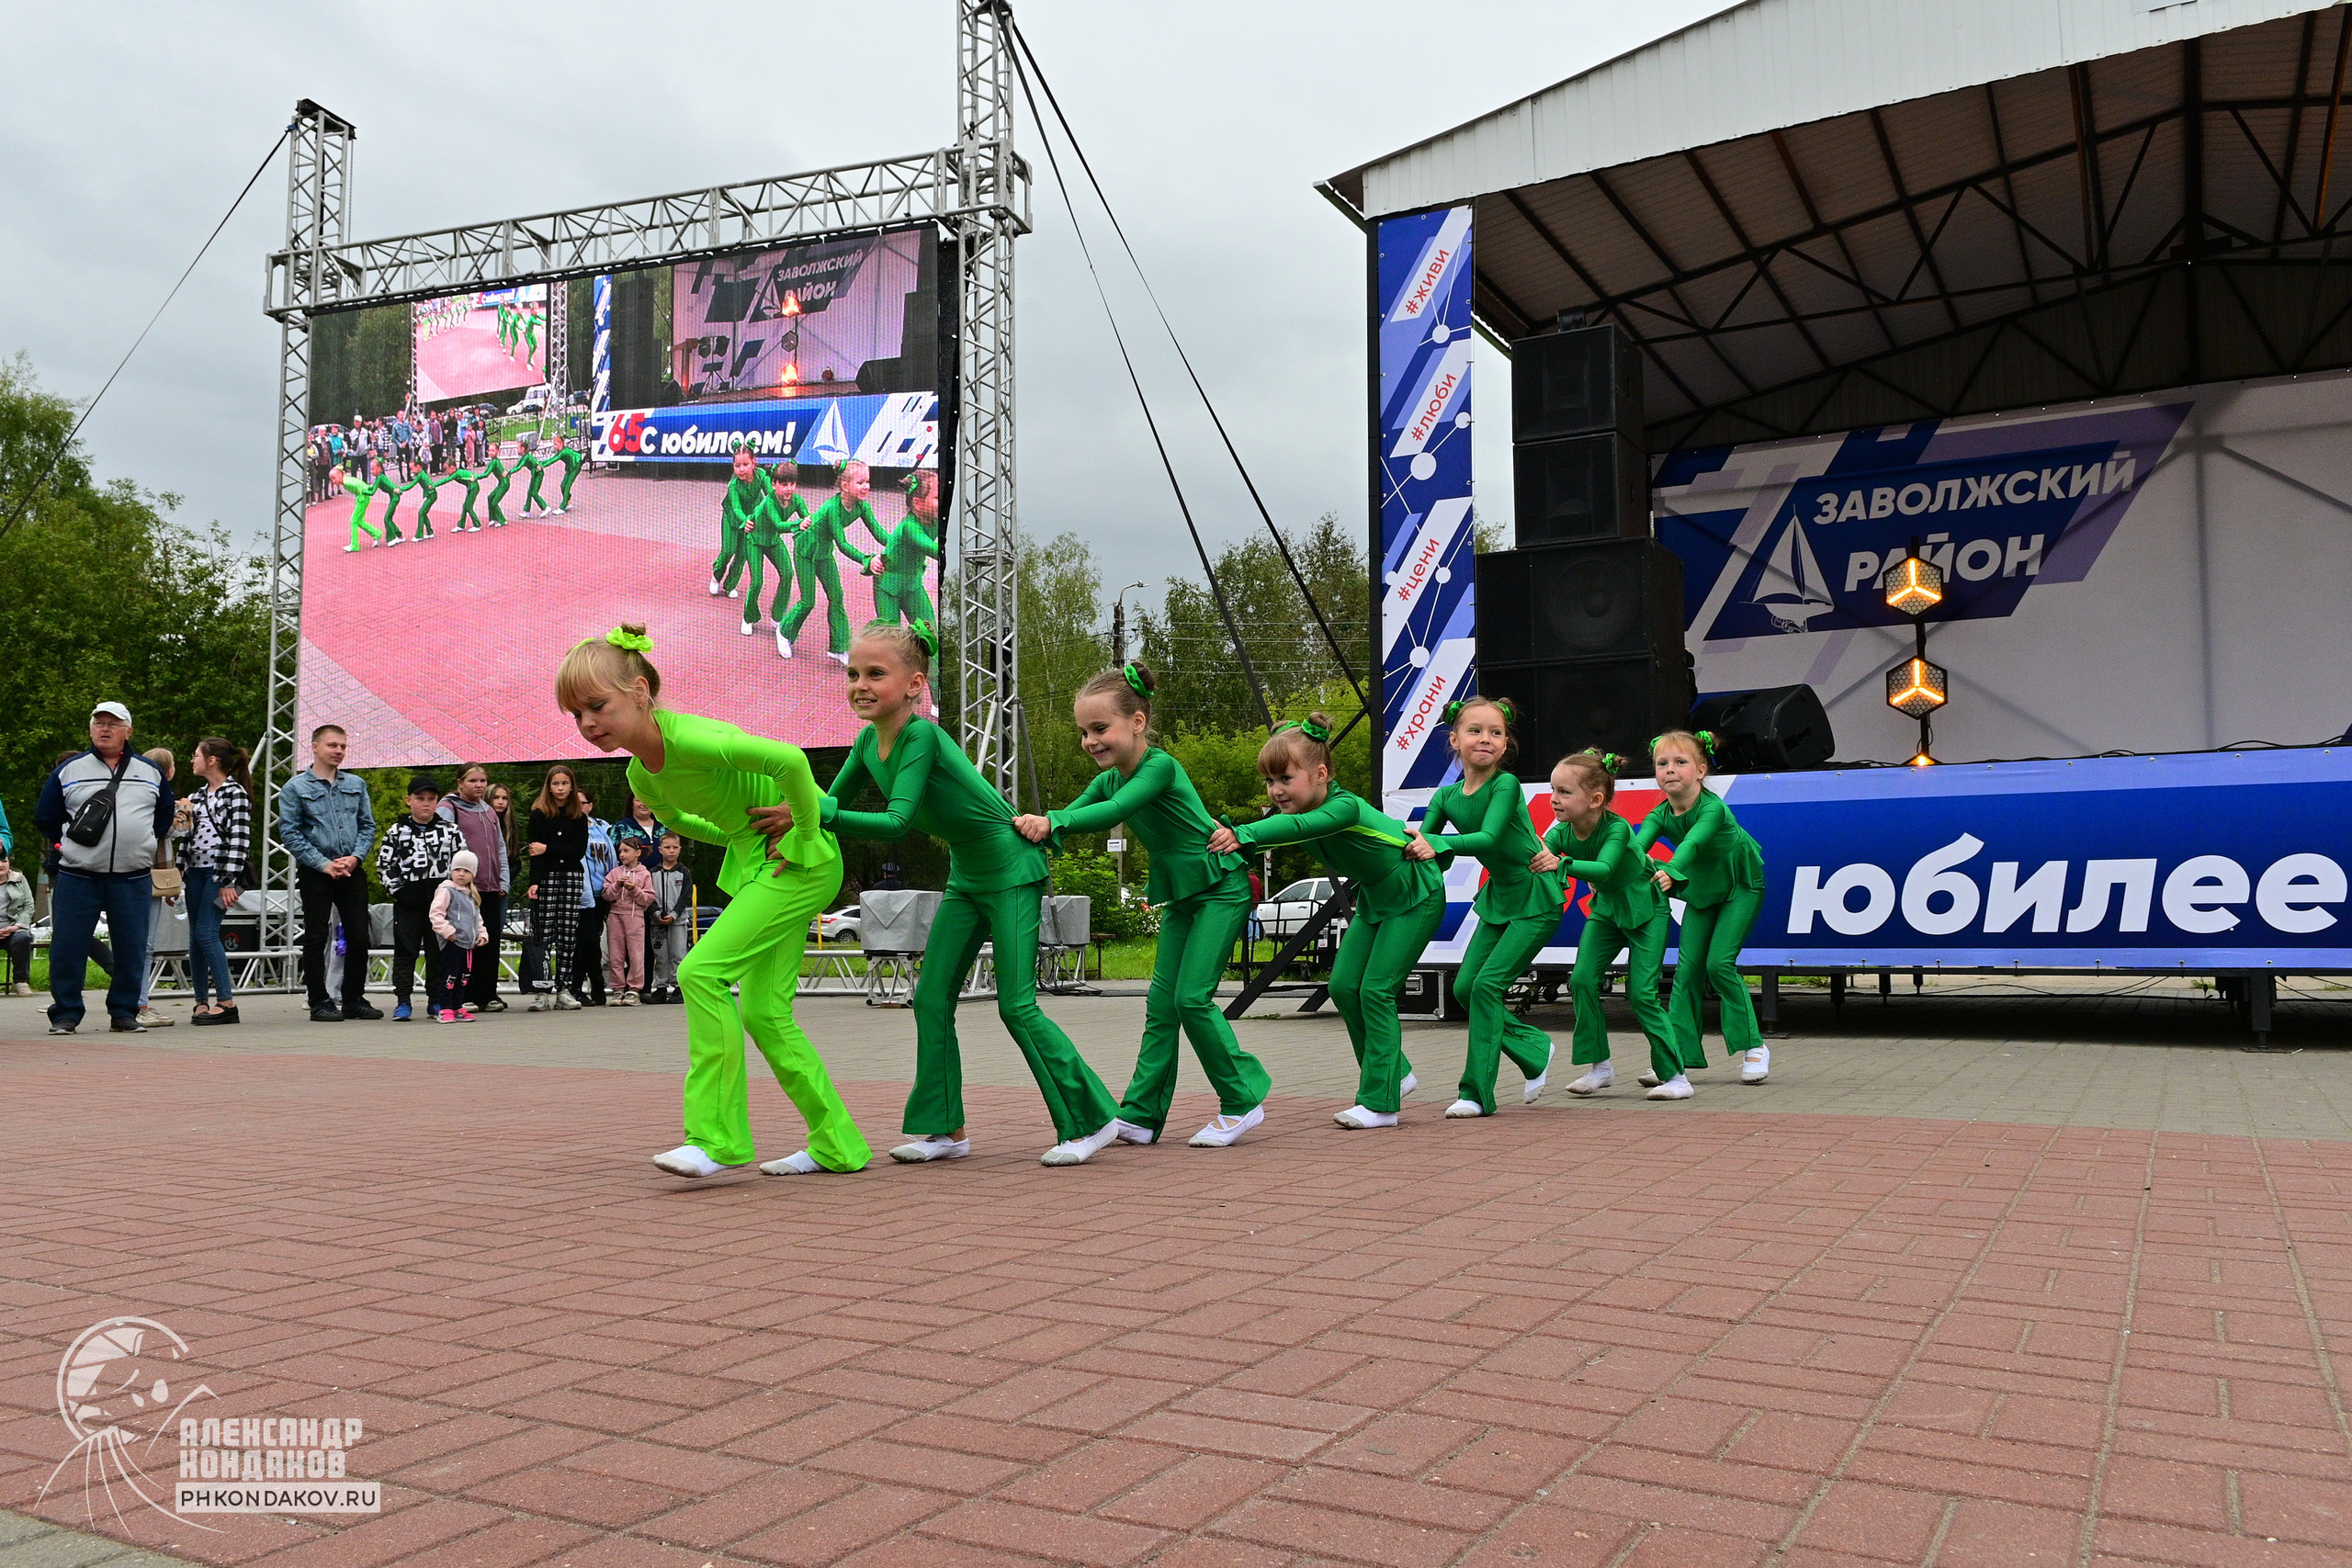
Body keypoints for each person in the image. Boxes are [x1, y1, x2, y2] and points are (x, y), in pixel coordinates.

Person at [560, 623, 869, 1178]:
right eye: (576, 714)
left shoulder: (690, 738)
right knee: (765, 1013)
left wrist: (801, 828)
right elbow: (677, 820)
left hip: (799, 862)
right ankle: (837, 1144)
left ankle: (716, 1139)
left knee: (700, 973)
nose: (587, 724)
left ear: (639, 693)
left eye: (597, 706)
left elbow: (791, 762)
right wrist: (738, 836)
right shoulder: (640, 772)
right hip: (764, 860)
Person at [815, 620, 1123, 1167]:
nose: (860, 684)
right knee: (931, 999)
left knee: (1017, 1005)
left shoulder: (921, 736)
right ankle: (945, 1130)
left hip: (1010, 867)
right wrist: (792, 812)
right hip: (967, 876)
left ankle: (1092, 1121)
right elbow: (826, 810)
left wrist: (814, 810)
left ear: (914, 685)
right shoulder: (868, 740)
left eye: (875, 674)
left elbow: (896, 821)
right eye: (853, 673)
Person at [1012, 661, 1272, 1148]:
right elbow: (1077, 809)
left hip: (1220, 886)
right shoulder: (1111, 778)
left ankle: (1242, 1099)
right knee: (1160, 1004)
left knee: (1190, 998)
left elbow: (1111, 813)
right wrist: (1041, 824)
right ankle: (1142, 1115)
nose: (1090, 741)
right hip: (1182, 894)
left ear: (1137, 723)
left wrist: (1052, 824)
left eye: (1100, 728)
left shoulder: (1159, 768)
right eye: (1084, 731)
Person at [1209, 715, 1442, 1129]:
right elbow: (1286, 827)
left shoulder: (1343, 808)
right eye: (1269, 781)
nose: (1276, 790)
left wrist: (1244, 833)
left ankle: (1381, 1103)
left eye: (1284, 778)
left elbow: (1296, 826)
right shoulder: (1304, 809)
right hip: (1376, 899)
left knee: (1376, 990)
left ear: (1320, 774)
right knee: (1343, 986)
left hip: (1415, 894)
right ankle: (1396, 1072)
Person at [1404, 697, 1557, 1117]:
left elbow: (1488, 838)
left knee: (1487, 987)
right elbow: (1430, 850)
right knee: (1465, 988)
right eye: (1475, 731)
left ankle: (1475, 1093)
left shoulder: (1505, 785)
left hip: (1536, 896)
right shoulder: (1446, 796)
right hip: (1500, 899)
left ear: (1505, 745)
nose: (1485, 739)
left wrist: (1437, 843)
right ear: (1454, 739)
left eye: (1496, 733)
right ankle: (1534, 1049)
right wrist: (1404, 846)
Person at [1531, 751, 1681, 1098]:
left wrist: (1560, 863)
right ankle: (1600, 1068)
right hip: (1606, 911)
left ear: (1596, 799)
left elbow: (1605, 869)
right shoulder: (1563, 832)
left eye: (1565, 792)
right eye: (1553, 790)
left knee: (1641, 993)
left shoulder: (1617, 828)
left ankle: (1676, 1077)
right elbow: (1537, 852)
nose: (1554, 799)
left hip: (1647, 910)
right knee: (1582, 981)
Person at [1636, 730, 1771, 1095]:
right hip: (1703, 891)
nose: (1670, 770)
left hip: (1741, 885)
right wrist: (1609, 871)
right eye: (1662, 764)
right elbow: (1633, 848)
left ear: (1700, 770)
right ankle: (1675, 1057)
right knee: (1687, 970)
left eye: (1680, 762)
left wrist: (1668, 869)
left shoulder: (1713, 808)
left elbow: (1693, 843)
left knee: (1718, 964)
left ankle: (1754, 1047)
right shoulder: (1660, 813)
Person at [35, 702, 174, 1034]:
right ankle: (66, 1014)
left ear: (129, 731)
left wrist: (136, 844)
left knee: (131, 948)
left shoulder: (149, 771)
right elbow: (46, 817)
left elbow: (163, 818)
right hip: (78, 875)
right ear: (91, 728)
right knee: (68, 947)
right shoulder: (69, 770)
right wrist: (64, 846)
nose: (105, 729)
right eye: (99, 723)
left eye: (113, 723)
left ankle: (124, 1013)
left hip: (133, 876)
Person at [278, 723, 382, 1022]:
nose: (339, 751)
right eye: (332, 745)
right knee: (316, 935)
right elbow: (291, 833)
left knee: (359, 934)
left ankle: (353, 998)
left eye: (343, 746)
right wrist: (324, 864)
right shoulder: (295, 788)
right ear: (314, 747)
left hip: (351, 869)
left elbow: (367, 825)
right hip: (316, 871)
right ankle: (319, 1001)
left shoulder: (356, 784)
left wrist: (355, 857)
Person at [377, 774, 464, 1021]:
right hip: (409, 905)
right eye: (420, 799)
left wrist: (452, 893)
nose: (425, 804)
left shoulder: (451, 832)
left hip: (441, 905)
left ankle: (436, 999)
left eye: (431, 799)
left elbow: (463, 864)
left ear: (437, 801)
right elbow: (385, 866)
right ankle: (403, 1000)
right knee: (406, 952)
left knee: (438, 953)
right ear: (408, 800)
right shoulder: (396, 832)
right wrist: (400, 891)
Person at [180, 738, 254, 1026]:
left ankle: (227, 1002)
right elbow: (183, 837)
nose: (192, 760)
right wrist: (176, 877)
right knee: (195, 938)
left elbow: (239, 840)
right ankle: (201, 1001)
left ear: (212, 760)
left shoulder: (235, 793)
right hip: (194, 872)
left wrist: (227, 880)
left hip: (217, 872)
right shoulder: (196, 796)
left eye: (196, 755)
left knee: (207, 933)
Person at [775, 460, 876, 665]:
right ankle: (784, 631)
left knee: (837, 596)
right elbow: (843, 544)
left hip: (824, 553)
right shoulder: (832, 508)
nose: (866, 486)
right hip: (806, 550)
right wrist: (867, 560)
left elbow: (880, 533)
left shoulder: (862, 507)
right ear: (845, 486)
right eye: (860, 482)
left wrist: (899, 545)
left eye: (867, 481)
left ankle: (839, 648)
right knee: (808, 600)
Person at [438, 767, 513, 1012]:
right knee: (464, 943)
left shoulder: (489, 810)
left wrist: (503, 880)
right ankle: (463, 994)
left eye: (483, 781)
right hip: (464, 888)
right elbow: (442, 845)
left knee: (488, 941)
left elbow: (500, 846)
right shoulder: (450, 808)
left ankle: (488, 994)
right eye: (472, 781)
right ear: (460, 782)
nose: (479, 785)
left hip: (491, 887)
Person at [525, 764, 589, 1011]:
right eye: (555, 784)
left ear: (571, 786)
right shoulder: (539, 815)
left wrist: (548, 848)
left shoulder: (578, 817)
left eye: (564, 783)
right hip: (546, 876)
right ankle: (541, 990)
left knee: (568, 933)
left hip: (572, 877)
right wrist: (534, 881)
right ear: (548, 787)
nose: (560, 788)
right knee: (543, 934)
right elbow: (534, 852)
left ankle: (564, 988)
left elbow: (577, 851)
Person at [135, 747, 183, 1028]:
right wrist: (185, 811)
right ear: (169, 771)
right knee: (146, 944)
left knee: (136, 942)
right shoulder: (161, 798)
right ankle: (140, 1003)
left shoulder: (135, 794)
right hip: (148, 875)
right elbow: (172, 829)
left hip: (137, 873)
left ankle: (133, 1000)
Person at [865, 470, 941, 628]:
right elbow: (930, 547)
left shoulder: (935, 520)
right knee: (892, 639)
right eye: (937, 497)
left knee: (929, 633)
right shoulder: (910, 527)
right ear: (918, 503)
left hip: (912, 584)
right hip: (888, 586)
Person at [429, 850, 489, 1022]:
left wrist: (482, 934)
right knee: (449, 976)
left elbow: (477, 918)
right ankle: (444, 1007)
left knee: (464, 977)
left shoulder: (471, 895)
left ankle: (457, 1005)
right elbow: (436, 914)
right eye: (457, 870)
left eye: (466, 871)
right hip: (453, 943)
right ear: (451, 870)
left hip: (469, 944)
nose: (461, 874)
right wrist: (448, 932)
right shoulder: (447, 890)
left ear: (473, 874)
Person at [707, 444, 767, 608]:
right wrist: (744, 519)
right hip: (733, 520)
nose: (741, 469)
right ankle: (716, 576)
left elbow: (771, 497)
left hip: (751, 522)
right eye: (737, 465)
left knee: (742, 555)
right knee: (728, 551)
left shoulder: (761, 476)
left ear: (753, 463)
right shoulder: (733, 484)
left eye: (745, 465)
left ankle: (730, 585)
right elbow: (736, 507)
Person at [572, 789, 616, 1006]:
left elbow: (614, 855)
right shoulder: (569, 826)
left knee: (589, 942)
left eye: (583, 803)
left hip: (603, 893)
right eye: (575, 802)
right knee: (587, 941)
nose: (579, 806)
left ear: (591, 805)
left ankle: (578, 988)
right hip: (581, 894)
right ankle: (594, 983)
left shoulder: (602, 827)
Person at [602, 837, 653, 1004]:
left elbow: (648, 899)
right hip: (615, 916)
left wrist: (634, 889)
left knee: (636, 954)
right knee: (616, 954)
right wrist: (617, 885)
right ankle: (617, 989)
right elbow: (606, 895)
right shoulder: (614, 873)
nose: (622, 855)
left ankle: (634, 989)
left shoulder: (645, 874)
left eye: (626, 851)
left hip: (635, 917)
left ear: (637, 853)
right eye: (620, 851)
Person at [648, 833, 692, 1001]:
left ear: (680, 849)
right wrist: (656, 913)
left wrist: (674, 914)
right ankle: (660, 987)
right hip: (657, 921)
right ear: (660, 849)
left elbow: (686, 896)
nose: (671, 851)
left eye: (675, 847)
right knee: (660, 955)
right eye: (667, 847)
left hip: (678, 921)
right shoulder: (653, 873)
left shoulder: (684, 873)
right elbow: (649, 896)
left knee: (678, 954)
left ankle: (679, 987)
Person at [0, 851, 35, 997]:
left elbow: (29, 907)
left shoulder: (20, 880)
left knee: (23, 938)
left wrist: (15, 927)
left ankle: (20, 981)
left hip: (13, 928)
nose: (1, 865)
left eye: (4, 861)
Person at [333, 467, 385, 551]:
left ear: (340, 475)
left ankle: (354, 545)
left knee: (353, 520)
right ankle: (376, 533)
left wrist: (362, 494)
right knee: (359, 521)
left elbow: (357, 485)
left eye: (334, 478)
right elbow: (358, 482)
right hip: (362, 498)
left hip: (362, 498)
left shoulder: (347, 483)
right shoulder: (346, 480)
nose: (333, 481)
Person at [554, 439, 587, 513]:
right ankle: (568, 501)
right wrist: (540, 463)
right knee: (563, 485)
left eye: (556, 444)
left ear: (562, 443)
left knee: (567, 486)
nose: (554, 446)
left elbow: (554, 460)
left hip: (576, 466)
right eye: (554, 444)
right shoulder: (560, 452)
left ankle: (563, 507)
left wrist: (542, 466)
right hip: (570, 468)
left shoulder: (564, 452)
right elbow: (551, 459)